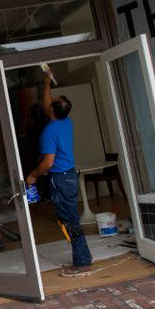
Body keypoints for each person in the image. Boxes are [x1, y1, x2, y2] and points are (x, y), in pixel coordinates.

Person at [25, 68, 92, 276]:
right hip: (69, 176)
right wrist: (46, 84)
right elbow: (49, 104)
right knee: (69, 217)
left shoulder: (50, 131)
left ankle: (81, 261)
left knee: (69, 220)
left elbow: (47, 162)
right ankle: (84, 255)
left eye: (54, 98)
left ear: (52, 110)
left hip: (60, 180)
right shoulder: (65, 121)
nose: (51, 99)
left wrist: (33, 175)